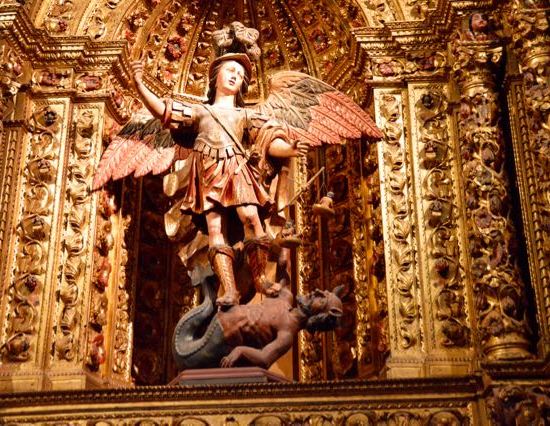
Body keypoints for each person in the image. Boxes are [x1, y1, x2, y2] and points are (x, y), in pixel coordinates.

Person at [129, 48, 308, 308]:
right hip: (208, 170)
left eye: (241, 74)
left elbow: (268, 140)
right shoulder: (200, 112)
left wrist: (289, 149)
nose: (235, 76)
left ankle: (259, 277)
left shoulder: (245, 115)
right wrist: (139, 85)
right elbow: (163, 112)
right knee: (215, 230)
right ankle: (230, 289)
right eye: (230, 70)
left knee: (251, 217)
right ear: (215, 77)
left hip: (237, 168)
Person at [172, 284, 344, 370]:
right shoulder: (285, 297)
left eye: (322, 299)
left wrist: (240, 351)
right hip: (218, 316)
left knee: (183, 354)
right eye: (323, 292)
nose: (316, 291)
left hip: (221, 339)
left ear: (319, 317)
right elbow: (274, 271)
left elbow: (264, 358)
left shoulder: (286, 334)